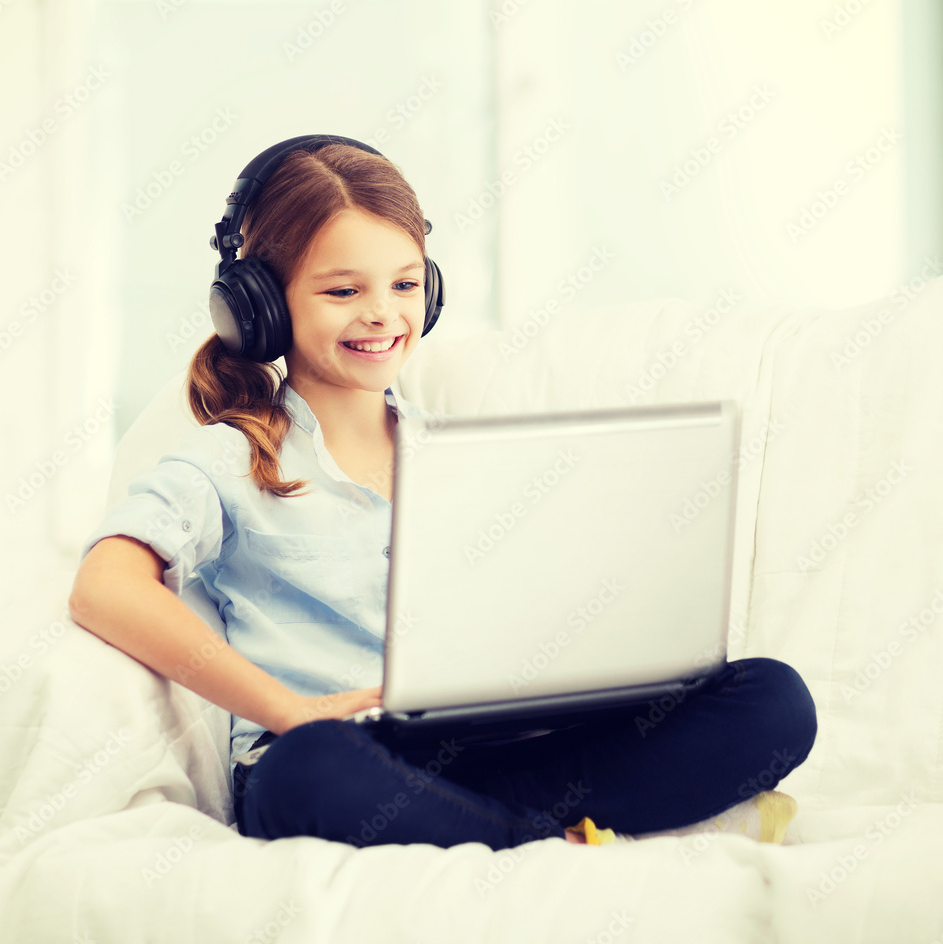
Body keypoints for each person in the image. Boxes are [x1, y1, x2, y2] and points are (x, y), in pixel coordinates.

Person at [68, 134, 817, 851]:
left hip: (491, 744)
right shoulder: (231, 458)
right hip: (347, 754)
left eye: (403, 283)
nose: (383, 313)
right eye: (341, 290)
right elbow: (104, 587)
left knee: (772, 700)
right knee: (309, 773)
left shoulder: (456, 451)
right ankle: (562, 833)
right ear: (258, 303)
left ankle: (503, 825)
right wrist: (286, 710)